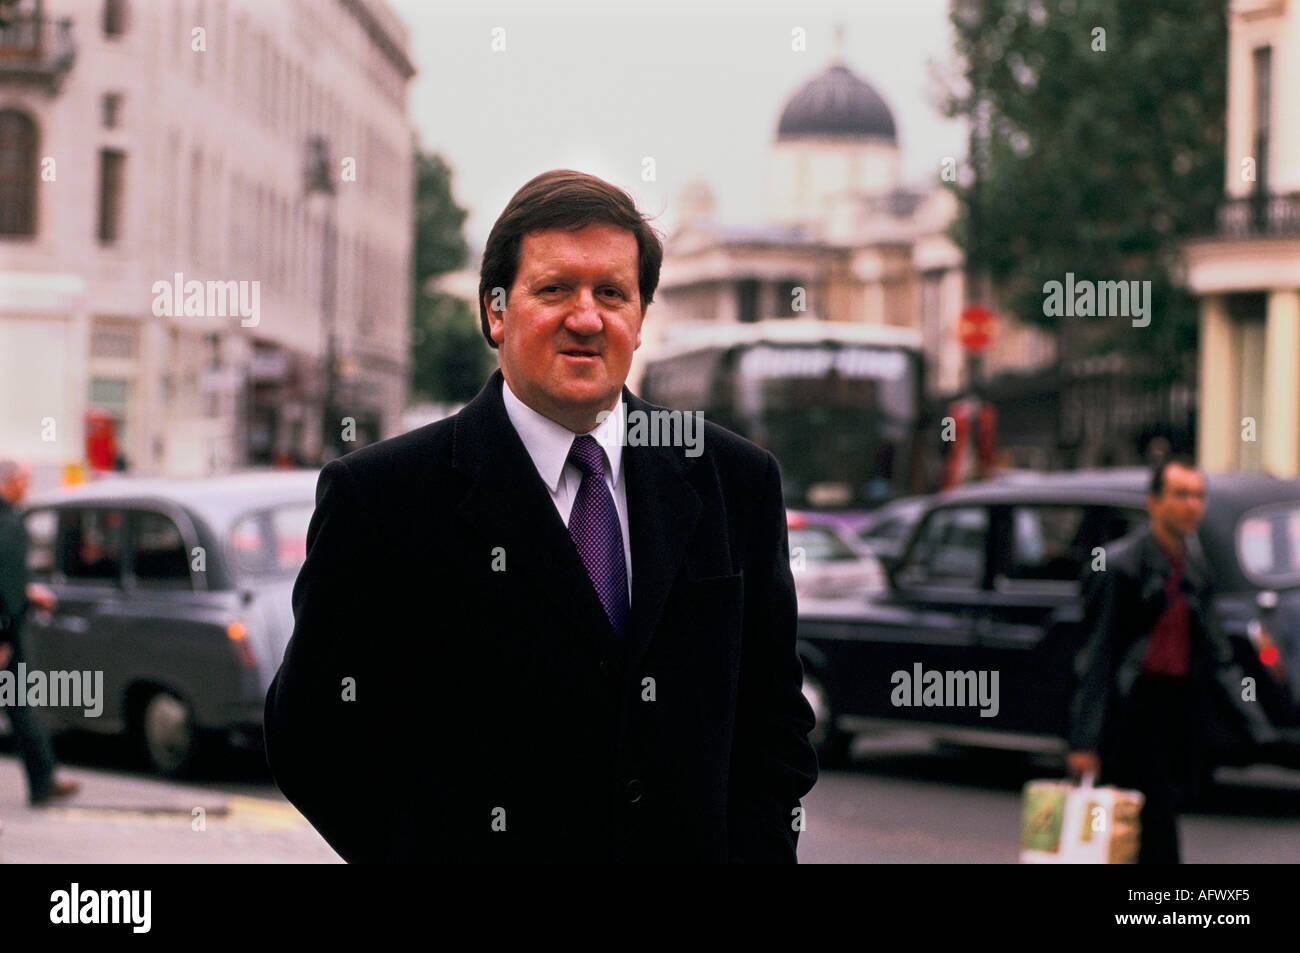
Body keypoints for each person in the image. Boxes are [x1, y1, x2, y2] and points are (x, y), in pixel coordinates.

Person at [264, 169, 819, 863]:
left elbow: (774, 727)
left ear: (640, 319)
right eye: (555, 289)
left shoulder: (735, 481)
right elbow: (312, 739)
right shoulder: (381, 499)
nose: (585, 317)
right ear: (495, 312)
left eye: (612, 294)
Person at [1066, 456, 1267, 863]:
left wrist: (1256, 723)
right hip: (1130, 711)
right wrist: (1084, 741)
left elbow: (1217, 652)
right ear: (1154, 503)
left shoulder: (1194, 565)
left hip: (1175, 710)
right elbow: (1098, 656)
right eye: (1180, 495)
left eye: (1198, 496)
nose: (1191, 505)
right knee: (1150, 831)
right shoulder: (1119, 565)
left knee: (1144, 828)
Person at [0, 458, 81, 806]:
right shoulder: (10, 523)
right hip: (8, 630)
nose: (27, 487)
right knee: (22, 703)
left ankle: (44, 778)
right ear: (9, 481)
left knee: (21, 704)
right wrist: (4, 636)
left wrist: (29, 592)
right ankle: (43, 780)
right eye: (24, 480)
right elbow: (5, 584)